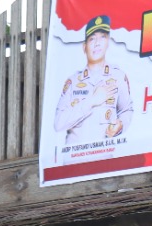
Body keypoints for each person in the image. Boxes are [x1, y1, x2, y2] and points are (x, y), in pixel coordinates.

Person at [52, 14, 133, 153]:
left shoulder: (118, 76)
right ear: (84, 47)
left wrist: (121, 125)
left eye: (102, 37)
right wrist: (91, 101)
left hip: (106, 159)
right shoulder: (73, 81)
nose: (97, 43)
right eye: (92, 39)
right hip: (74, 161)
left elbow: (126, 110)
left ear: (108, 42)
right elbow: (58, 124)